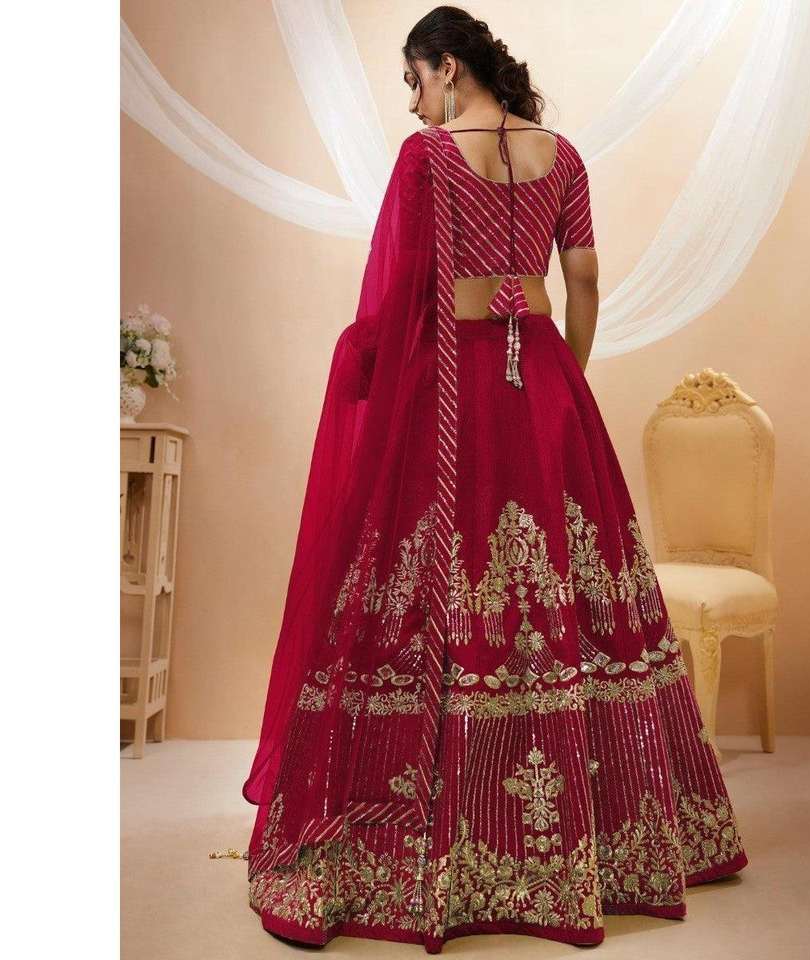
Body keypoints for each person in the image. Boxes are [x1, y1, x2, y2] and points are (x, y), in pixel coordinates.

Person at [242, 7, 747, 952]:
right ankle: (609, 841)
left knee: (437, 581)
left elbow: (399, 290)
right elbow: (583, 279)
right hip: (545, 378)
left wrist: (368, 363)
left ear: (448, 66)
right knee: (571, 590)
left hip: (452, 382)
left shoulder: (427, 161)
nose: (413, 103)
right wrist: (564, 380)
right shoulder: (564, 155)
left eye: (414, 80)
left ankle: (441, 833)